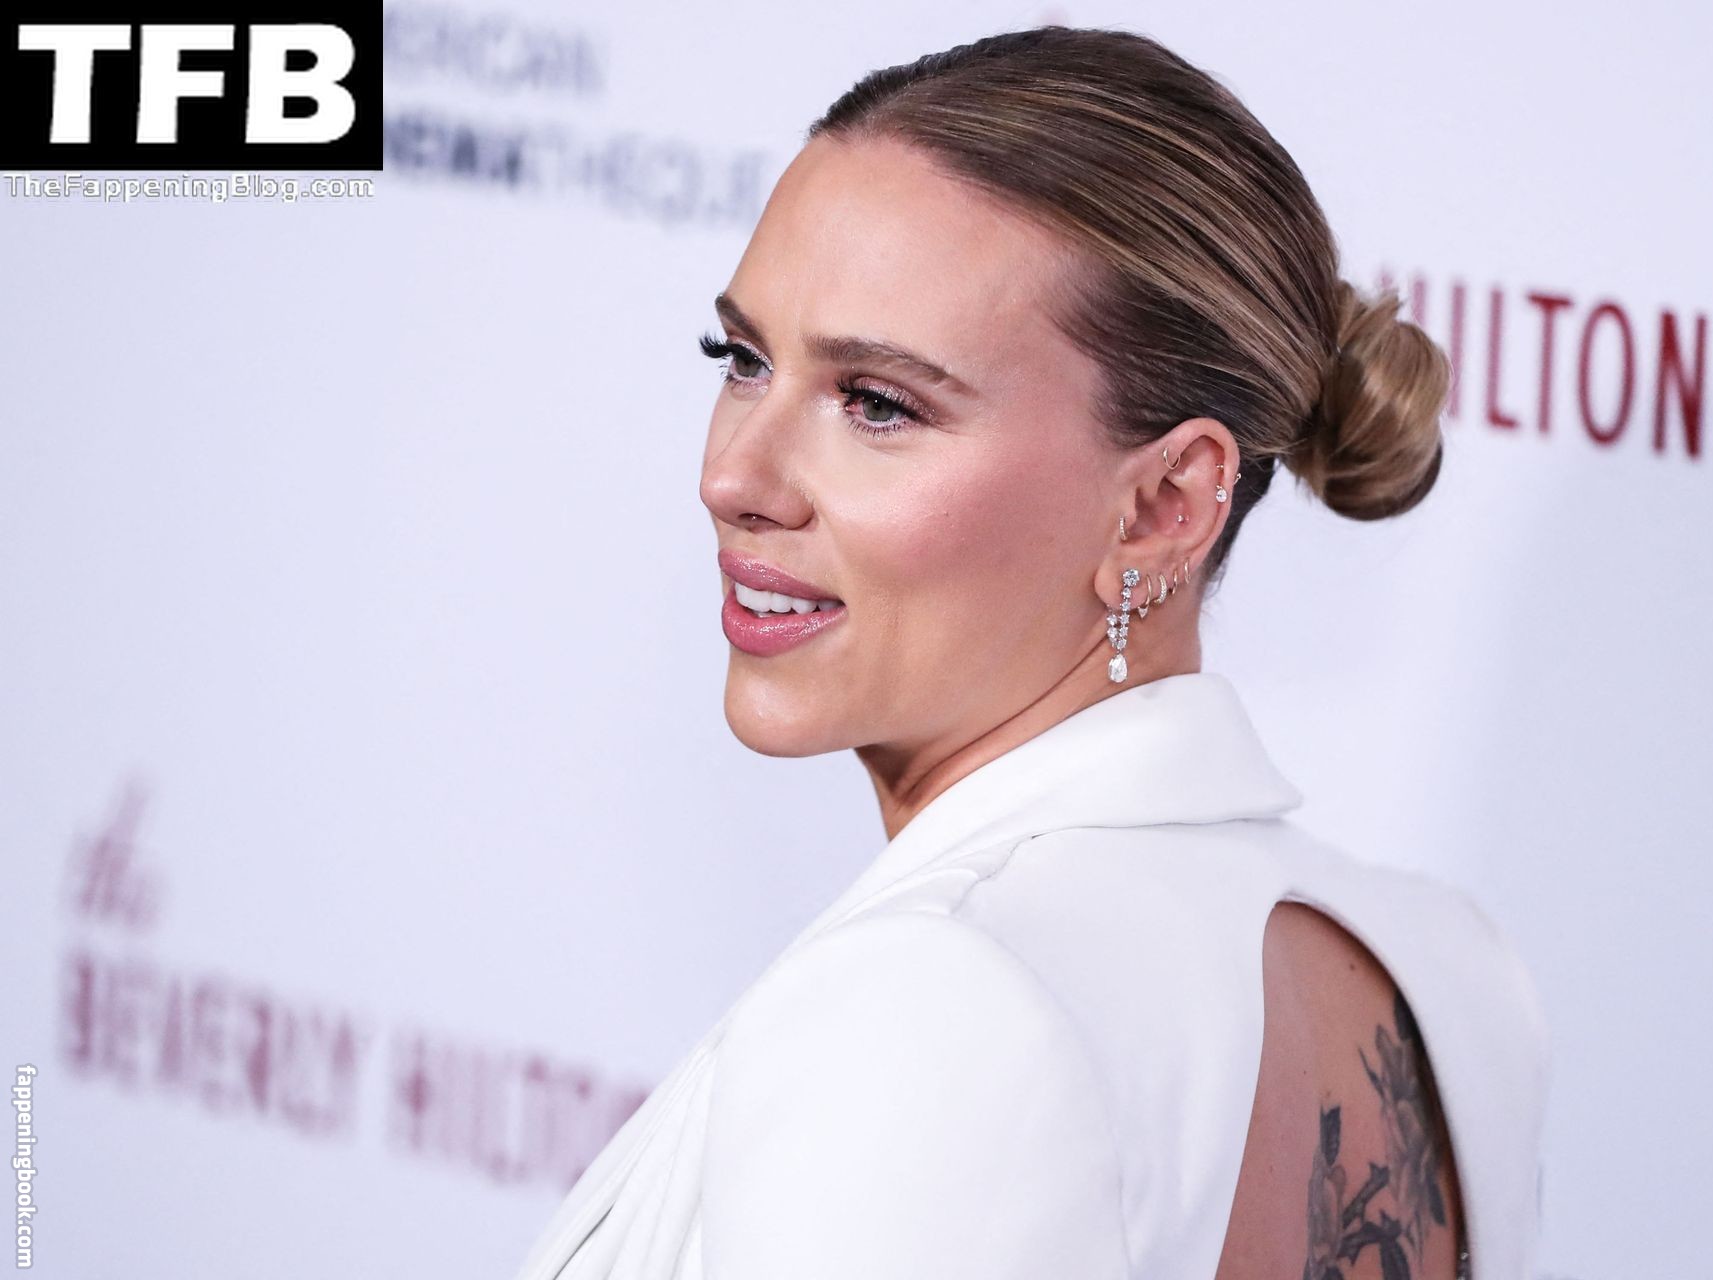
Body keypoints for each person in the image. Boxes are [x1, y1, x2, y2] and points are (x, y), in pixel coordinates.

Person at [510, 23, 1550, 1280]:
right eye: (742, 359)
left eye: (877, 403)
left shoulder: (931, 1001)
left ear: (1164, 505)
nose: (733, 476)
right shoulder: (1448, 971)